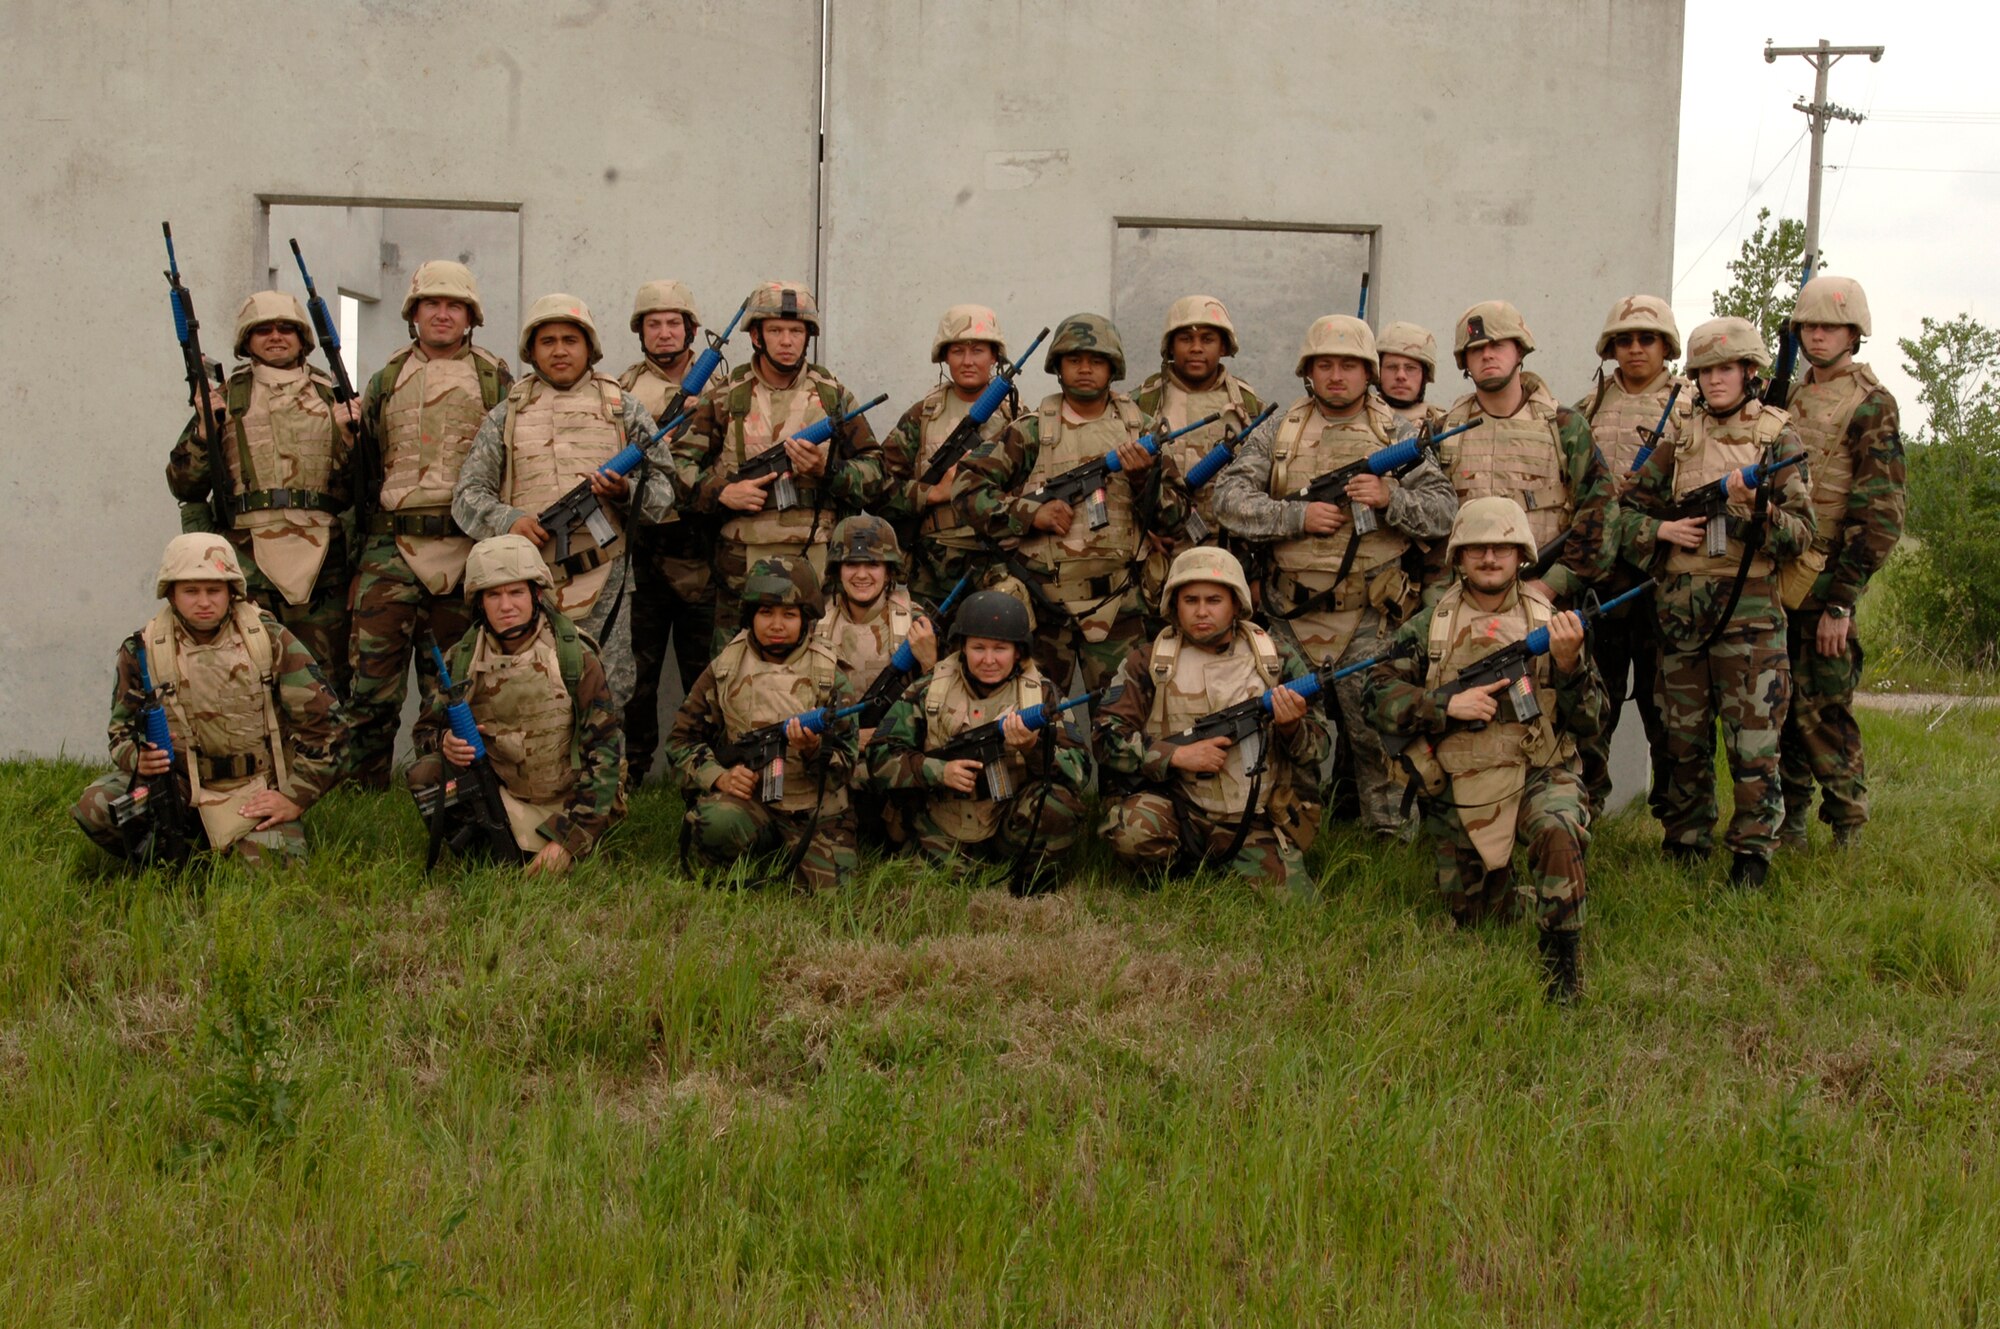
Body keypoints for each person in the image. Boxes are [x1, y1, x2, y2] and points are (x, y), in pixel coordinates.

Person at [1210, 315, 1457, 835]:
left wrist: (1391, 499)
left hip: (1372, 617)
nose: (1337, 375)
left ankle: (1386, 855)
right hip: (1290, 617)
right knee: (1288, 734)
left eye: (1349, 365)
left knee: (1378, 739)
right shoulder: (1280, 431)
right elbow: (1227, 499)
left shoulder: (1398, 433)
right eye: (1325, 364)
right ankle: (1289, 846)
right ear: (1309, 371)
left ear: (1369, 371)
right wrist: (1295, 518)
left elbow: (1443, 511)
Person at [1365, 498, 1607, 1000]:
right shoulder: (1431, 625)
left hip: (1539, 769)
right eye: (1477, 549)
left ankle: (1562, 965)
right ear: (1458, 557)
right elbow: (1375, 694)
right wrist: (1442, 707)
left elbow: (1591, 719)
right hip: (1463, 782)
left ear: (1522, 555)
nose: (1490, 558)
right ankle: (1514, 892)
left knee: (1558, 828)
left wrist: (1568, 666)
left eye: (1502, 548)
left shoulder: (1553, 622)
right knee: (1474, 916)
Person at [1616, 317, 1815, 886]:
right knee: (1682, 739)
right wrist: (1661, 533)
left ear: (1749, 372)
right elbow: (1626, 514)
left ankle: (1752, 854)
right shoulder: (1680, 437)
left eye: (1725, 368)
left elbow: (1802, 533)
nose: (1715, 380)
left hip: (1749, 618)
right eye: (1704, 371)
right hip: (1681, 615)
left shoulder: (1778, 437)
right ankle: (1686, 840)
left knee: (1753, 744)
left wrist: (1757, 511)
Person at [452, 293, 675, 712]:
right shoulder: (508, 414)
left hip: (605, 577)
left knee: (607, 689)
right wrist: (510, 520)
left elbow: (665, 492)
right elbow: (467, 496)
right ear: (532, 351)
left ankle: (609, 775)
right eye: (548, 341)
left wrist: (624, 492)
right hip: (526, 585)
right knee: (530, 685)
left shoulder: (623, 409)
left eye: (570, 340)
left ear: (588, 346)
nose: (559, 350)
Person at [71, 535, 342, 868]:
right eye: (191, 591)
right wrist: (136, 758)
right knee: (97, 807)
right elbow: (120, 729)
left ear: (232, 591)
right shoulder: (143, 650)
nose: (204, 602)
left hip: (251, 789)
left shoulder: (267, 640)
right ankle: (182, 846)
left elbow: (327, 723)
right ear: (170, 593)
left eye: (214, 591)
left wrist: (294, 797)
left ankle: (227, 842)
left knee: (276, 869)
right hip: (177, 787)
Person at [953, 313, 1192, 690]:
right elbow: (967, 489)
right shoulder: (1031, 430)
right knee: (1037, 721)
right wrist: (1031, 513)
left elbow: (1176, 518)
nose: (1085, 369)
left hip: (1121, 608)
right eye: (1074, 360)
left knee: (1121, 722)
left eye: (1096, 361)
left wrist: (1144, 480)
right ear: (1058, 367)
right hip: (1046, 609)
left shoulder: (1140, 430)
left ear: (1112, 368)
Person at [345, 260, 513, 787]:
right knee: (371, 680)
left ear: (471, 316)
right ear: (413, 312)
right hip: (390, 547)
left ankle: (437, 779)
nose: (442, 314)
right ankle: (362, 786)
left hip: (465, 546)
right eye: (431, 304)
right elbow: (363, 465)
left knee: (451, 679)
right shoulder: (387, 378)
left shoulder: (496, 379)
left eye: (454, 305)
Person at [1096, 548, 1333, 894]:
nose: (1202, 611)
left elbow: (1320, 747)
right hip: (1180, 809)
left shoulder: (1274, 658)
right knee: (1132, 831)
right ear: (1174, 604)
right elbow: (1105, 737)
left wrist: (1290, 727)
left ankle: (1232, 861)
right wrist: (1175, 756)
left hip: (1254, 817)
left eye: (1214, 600)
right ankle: (1179, 870)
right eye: (1190, 600)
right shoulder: (1148, 662)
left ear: (1236, 604)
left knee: (1299, 908)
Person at [166, 290, 358, 696]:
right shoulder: (227, 397)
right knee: (248, 674)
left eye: (286, 328)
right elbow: (185, 484)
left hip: (323, 560)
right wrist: (205, 430)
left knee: (325, 683)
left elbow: (360, 487)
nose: (275, 336)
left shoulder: (332, 394)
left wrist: (349, 439)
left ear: (303, 337)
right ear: (246, 340)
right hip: (247, 558)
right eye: (263, 329)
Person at [676, 281, 884, 650]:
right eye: (775, 331)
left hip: (817, 567)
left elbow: (875, 471)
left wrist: (828, 471)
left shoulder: (831, 395)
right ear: (756, 336)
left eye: (796, 331)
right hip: (740, 571)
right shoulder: (727, 395)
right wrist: (724, 492)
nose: (787, 341)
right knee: (733, 673)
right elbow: (677, 468)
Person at [405, 534, 627, 873]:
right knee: (427, 774)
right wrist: (444, 742)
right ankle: (482, 855)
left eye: (516, 592)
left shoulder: (573, 657)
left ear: (537, 595)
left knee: (561, 869)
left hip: (570, 800)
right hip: (503, 795)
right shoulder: (462, 660)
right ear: (479, 602)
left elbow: (605, 755)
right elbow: (424, 731)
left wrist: (567, 840)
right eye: (493, 595)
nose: (506, 606)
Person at [1777, 274, 1906, 849]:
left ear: (1855, 332)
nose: (1818, 335)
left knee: (1824, 706)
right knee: (1780, 706)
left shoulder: (1871, 405)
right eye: (1809, 325)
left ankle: (1848, 823)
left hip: (1830, 575)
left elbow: (1881, 515)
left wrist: (1841, 601)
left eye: (1830, 326)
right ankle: (1793, 819)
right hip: (1782, 570)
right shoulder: (1790, 395)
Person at [866, 590, 1087, 888]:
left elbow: (1079, 769)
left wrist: (1033, 748)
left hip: (1008, 821)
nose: (988, 660)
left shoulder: (1042, 695)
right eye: (978, 648)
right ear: (962, 649)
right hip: (940, 820)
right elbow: (879, 757)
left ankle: (1030, 881)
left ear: (1018, 651)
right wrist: (938, 771)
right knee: (931, 889)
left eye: (1000, 649)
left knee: (1057, 803)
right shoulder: (931, 688)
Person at [667, 557, 859, 890]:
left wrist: (815, 749)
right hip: (751, 802)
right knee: (713, 824)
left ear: (806, 618)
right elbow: (681, 740)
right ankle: (754, 842)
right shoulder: (726, 667)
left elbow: (847, 763)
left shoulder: (829, 675)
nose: (776, 624)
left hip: (813, 807)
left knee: (833, 893)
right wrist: (720, 777)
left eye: (789, 614)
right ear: (750, 615)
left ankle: (785, 847)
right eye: (766, 612)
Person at [1571, 294, 1685, 818]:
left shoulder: (1690, 408)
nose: (1635, 349)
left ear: (1666, 346)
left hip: (1664, 579)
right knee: (1595, 705)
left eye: (1647, 339)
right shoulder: (1587, 409)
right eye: (1625, 339)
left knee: (1670, 712)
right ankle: (1582, 813)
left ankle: (1680, 828)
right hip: (1602, 581)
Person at [1432, 300, 1611, 598]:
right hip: (1460, 602)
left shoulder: (1566, 426)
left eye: (1497, 344)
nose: (1487, 354)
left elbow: (1601, 515)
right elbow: (1429, 529)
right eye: (1476, 349)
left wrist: (1552, 585)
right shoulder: (1442, 433)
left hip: (1545, 601)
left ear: (1520, 350)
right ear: (1465, 361)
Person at [617, 279, 717, 780]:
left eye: (673, 322)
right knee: (638, 675)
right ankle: (632, 774)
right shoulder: (620, 389)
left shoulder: (723, 388)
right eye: (652, 324)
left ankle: (701, 776)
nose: (663, 332)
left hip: (703, 548)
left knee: (705, 672)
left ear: (691, 329)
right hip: (642, 548)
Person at [878, 304, 1021, 607]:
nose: (968, 361)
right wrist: (933, 493)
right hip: (931, 567)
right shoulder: (922, 416)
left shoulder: (1017, 419)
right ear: (944, 356)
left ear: (994, 356)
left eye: (978, 350)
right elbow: (876, 489)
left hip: (998, 562)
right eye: (958, 351)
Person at [1130, 295, 1267, 607]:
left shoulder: (1248, 405)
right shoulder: (1141, 403)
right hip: (1163, 560)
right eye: (1185, 338)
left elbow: (1269, 483)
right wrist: (1140, 530)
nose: (1195, 348)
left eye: (1207, 339)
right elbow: (1118, 483)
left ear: (1223, 347)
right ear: (1170, 345)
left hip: (1231, 562)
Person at [813, 515, 938, 847]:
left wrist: (930, 663)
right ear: (837, 569)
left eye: (873, 564)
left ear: (890, 571)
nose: (862, 574)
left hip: (895, 758)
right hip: (834, 754)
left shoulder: (915, 622)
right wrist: (852, 736)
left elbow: (949, 707)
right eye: (852, 564)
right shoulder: (816, 625)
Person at [1374, 321, 1444, 430]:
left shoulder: (1443, 424)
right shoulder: (1356, 418)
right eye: (1392, 367)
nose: (1400, 376)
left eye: (1411, 368)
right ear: (1378, 372)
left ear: (1424, 376)